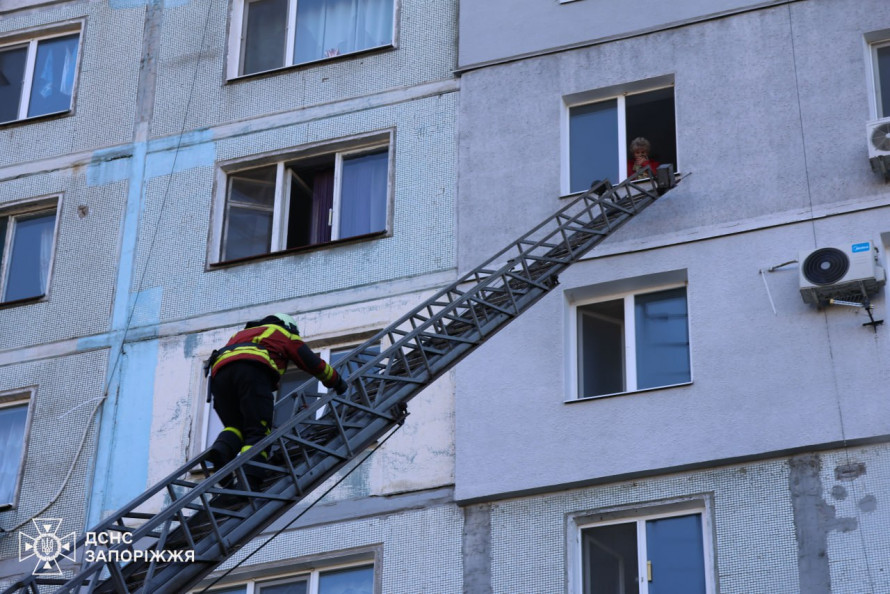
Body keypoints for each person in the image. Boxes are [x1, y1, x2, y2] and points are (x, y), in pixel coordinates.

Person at [205, 313, 348, 486]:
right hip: (251, 372)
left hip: (219, 378)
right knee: (258, 431)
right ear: (289, 326)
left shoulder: (241, 334)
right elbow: (310, 361)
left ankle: (221, 451)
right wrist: (336, 381)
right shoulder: (282, 333)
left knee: (236, 427)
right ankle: (250, 480)